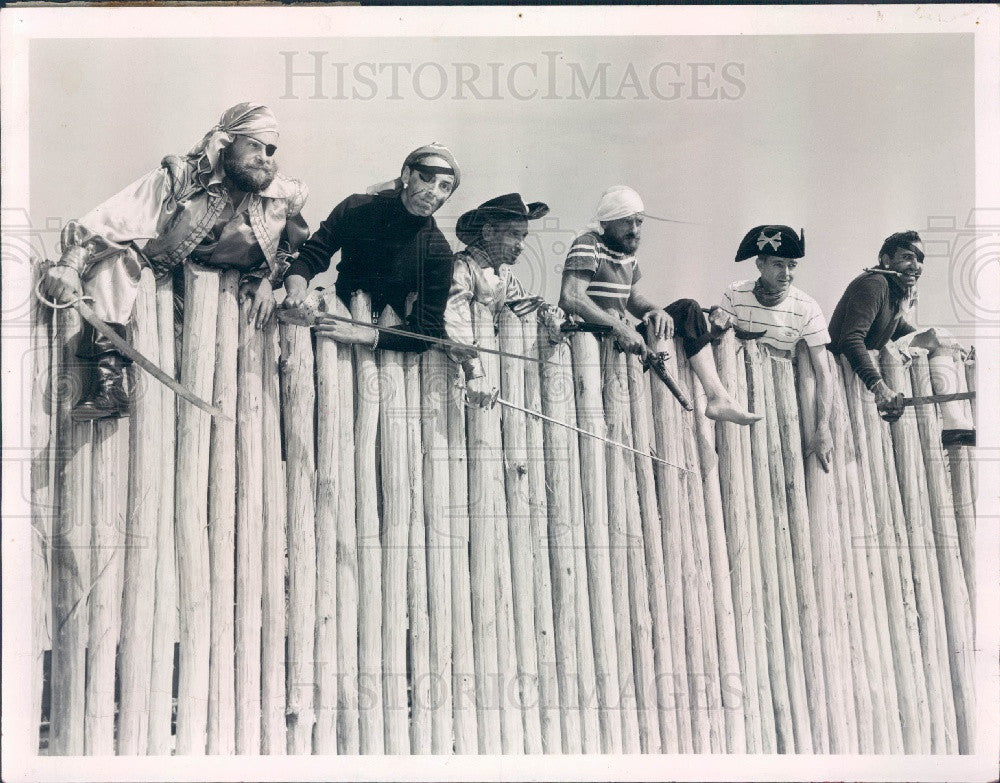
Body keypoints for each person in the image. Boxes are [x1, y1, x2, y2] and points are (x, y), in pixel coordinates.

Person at [40, 102, 310, 420]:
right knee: (118, 260)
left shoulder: (282, 199)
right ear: (226, 142)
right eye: (253, 144)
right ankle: (109, 384)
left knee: (221, 404)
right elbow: (113, 219)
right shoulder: (180, 179)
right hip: (167, 291)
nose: (264, 156)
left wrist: (267, 278)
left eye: (269, 148)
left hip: (232, 306)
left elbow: (293, 251)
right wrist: (71, 264)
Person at [558, 185, 760, 425]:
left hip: (619, 344)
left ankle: (717, 398)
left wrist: (654, 310)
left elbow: (632, 299)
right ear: (607, 222)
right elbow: (571, 297)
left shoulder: (626, 255)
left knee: (688, 310)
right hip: (591, 347)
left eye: (639, 222)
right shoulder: (588, 243)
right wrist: (620, 328)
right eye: (626, 223)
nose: (634, 230)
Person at [282, 143, 459, 351]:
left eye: (444, 186)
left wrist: (362, 335)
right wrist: (296, 290)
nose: (433, 192)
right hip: (333, 329)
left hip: (390, 352)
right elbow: (311, 257)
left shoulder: (438, 251)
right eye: (426, 178)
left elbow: (429, 330)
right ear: (406, 175)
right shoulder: (357, 209)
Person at [828, 229, 973, 443]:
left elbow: (892, 327)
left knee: (942, 339)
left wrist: (936, 339)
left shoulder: (894, 289)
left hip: (857, 381)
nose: (915, 266)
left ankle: (954, 423)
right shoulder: (874, 284)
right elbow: (850, 339)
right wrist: (879, 387)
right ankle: (953, 424)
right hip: (841, 376)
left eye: (919, 260)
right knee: (938, 339)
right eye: (907, 257)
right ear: (887, 260)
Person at [713, 225, 833, 469]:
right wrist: (717, 327)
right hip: (740, 400)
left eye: (792, 265)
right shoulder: (735, 294)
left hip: (788, 407)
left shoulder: (807, 307)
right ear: (760, 264)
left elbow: (823, 373)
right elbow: (720, 346)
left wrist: (823, 428)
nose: (786, 273)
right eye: (779, 264)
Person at [443, 193, 566, 407]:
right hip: (453, 374)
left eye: (523, 237)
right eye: (514, 234)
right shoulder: (463, 268)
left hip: (485, 378)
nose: (521, 245)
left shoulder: (503, 275)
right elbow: (455, 317)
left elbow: (526, 306)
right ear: (489, 232)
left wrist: (551, 315)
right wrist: (473, 370)